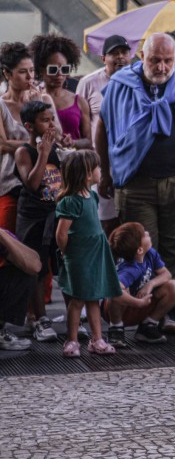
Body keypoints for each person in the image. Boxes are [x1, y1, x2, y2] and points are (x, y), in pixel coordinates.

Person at [96, 33, 175, 335]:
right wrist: (104, 170)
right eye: (155, 59)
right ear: (142, 55)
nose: (163, 66)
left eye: (168, 60)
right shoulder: (120, 85)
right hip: (135, 183)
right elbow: (102, 126)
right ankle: (138, 314)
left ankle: (166, 314)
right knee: (139, 252)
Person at [55, 150, 122, 357]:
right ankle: (72, 340)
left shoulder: (92, 196)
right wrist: (69, 253)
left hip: (95, 255)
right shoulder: (70, 201)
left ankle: (97, 339)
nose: (101, 171)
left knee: (94, 298)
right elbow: (61, 234)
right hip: (79, 257)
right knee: (77, 300)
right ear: (87, 174)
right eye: (98, 167)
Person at [14, 101, 63, 342]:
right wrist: (43, 153)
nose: (51, 124)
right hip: (33, 218)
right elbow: (32, 184)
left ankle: (73, 316)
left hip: (55, 214)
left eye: (52, 118)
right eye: (45, 120)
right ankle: (39, 318)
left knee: (59, 264)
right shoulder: (25, 151)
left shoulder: (55, 147)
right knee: (35, 268)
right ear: (29, 126)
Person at [76, 35, 132, 236]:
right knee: (105, 224)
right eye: (114, 53)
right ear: (103, 58)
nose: (120, 57)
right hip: (99, 164)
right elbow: (82, 126)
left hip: (131, 163)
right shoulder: (89, 83)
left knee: (130, 224)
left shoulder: (138, 80)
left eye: (124, 52)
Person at [105, 222, 175, 346]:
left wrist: (150, 284)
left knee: (174, 287)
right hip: (123, 309)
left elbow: (166, 274)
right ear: (140, 249)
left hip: (140, 305)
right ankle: (116, 328)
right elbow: (114, 291)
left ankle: (148, 326)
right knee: (118, 292)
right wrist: (138, 303)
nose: (147, 233)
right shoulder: (130, 269)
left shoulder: (150, 253)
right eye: (144, 235)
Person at [29, 34, 91, 149]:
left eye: (64, 69)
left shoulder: (79, 101)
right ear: (42, 70)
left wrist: (73, 143)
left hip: (74, 163)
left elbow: (88, 141)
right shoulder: (33, 99)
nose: (59, 74)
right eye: (53, 69)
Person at [0, 43, 34, 231]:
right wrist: (36, 143)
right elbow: (2, 144)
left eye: (32, 70)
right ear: (7, 73)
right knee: (9, 241)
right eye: (23, 72)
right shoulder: (1, 105)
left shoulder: (41, 100)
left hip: (41, 184)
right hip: (9, 183)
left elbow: (55, 138)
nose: (30, 77)